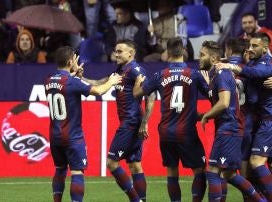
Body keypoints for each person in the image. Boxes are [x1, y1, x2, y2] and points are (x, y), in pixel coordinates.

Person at [133, 37, 208, 202]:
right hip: (187, 132)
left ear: (167, 54)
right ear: (184, 52)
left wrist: (138, 82)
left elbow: (138, 93)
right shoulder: (194, 75)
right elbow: (212, 95)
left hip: (166, 132)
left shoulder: (160, 75)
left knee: (172, 171)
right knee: (199, 170)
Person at [216, 32, 272, 201]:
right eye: (249, 46)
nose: (250, 49)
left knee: (254, 163)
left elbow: (256, 78)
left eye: (254, 46)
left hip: (269, 119)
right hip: (266, 119)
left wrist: (231, 67)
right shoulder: (256, 63)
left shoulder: (267, 63)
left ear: (265, 47)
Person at [44, 46, 122, 202]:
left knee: (60, 170)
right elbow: (99, 91)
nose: (76, 61)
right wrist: (112, 81)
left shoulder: (48, 80)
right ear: (69, 61)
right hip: (72, 136)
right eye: (74, 59)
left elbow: (64, 83)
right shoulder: (72, 82)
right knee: (76, 172)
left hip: (54, 136)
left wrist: (74, 74)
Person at [82, 39, 155, 202]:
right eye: (116, 51)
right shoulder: (120, 70)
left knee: (112, 163)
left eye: (120, 51)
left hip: (131, 123)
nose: (116, 54)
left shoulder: (136, 70)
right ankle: (141, 200)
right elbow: (101, 83)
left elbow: (151, 95)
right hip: (130, 122)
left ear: (131, 53)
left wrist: (144, 123)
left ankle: (136, 200)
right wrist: (82, 78)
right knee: (135, 164)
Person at [199, 40, 265, 202]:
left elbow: (224, 102)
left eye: (202, 55)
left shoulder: (221, 73)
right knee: (228, 174)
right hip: (231, 128)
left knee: (213, 171)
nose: (199, 58)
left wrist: (207, 115)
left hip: (229, 128)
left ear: (214, 58)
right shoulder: (218, 74)